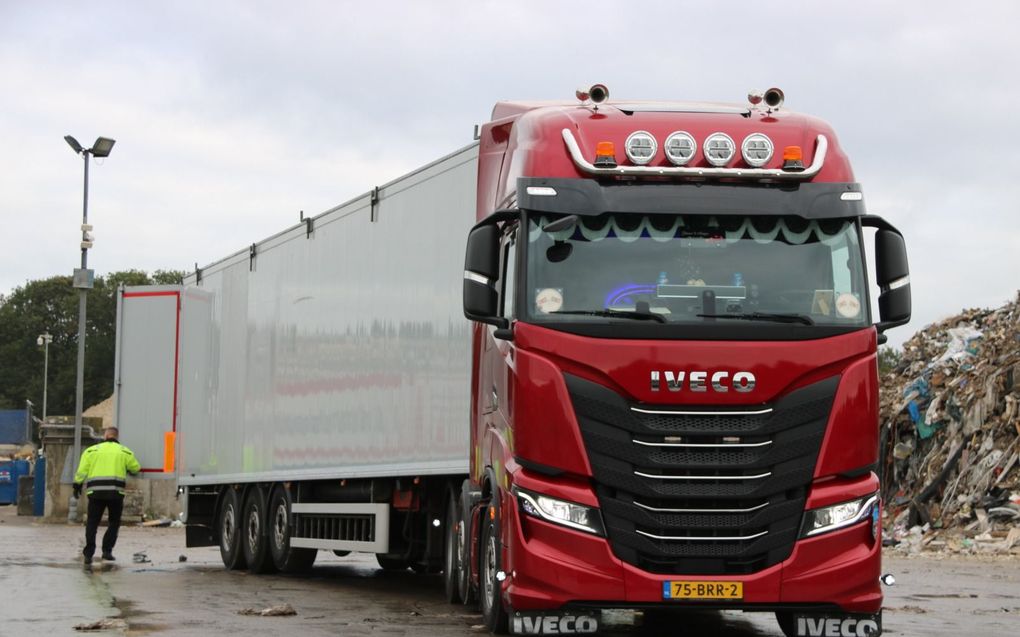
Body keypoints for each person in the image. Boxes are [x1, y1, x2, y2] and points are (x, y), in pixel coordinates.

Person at [73, 426, 140, 564]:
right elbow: (136, 468)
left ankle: (89, 553)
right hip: (115, 494)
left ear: (105, 436)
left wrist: (77, 485)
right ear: (116, 437)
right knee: (114, 522)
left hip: (95, 493)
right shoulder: (124, 452)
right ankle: (107, 551)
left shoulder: (91, 451)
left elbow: (81, 471)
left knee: (92, 523)